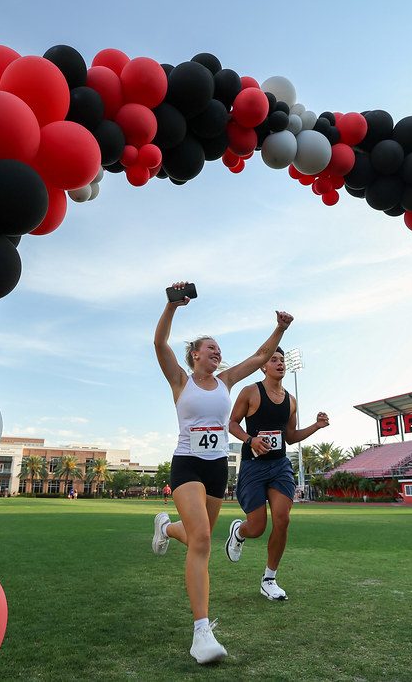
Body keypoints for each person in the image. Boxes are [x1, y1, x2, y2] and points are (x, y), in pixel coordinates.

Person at [150, 281, 292, 665]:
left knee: (201, 536)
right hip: (187, 465)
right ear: (195, 355)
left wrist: (281, 328)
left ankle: (165, 528)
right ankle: (201, 633)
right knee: (201, 542)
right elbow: (160, 345)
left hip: (217, 471)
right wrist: (172, 307)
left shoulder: (226, 382)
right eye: (211, 348)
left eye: (219, 350)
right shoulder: (181, 380)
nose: (217, 353)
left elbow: (261, 354)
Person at [225, 347, 329, 601]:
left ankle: (269, 579)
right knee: (258, 527)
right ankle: (239, 532)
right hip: (253, 466)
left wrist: (316, 426)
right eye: (274, 359)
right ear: (263, 366)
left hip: (280, 466)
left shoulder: (291, 401)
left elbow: (290, 437)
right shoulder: (250, 392)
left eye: (282, 360)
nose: (280, 363)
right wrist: (251, 440)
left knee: (282, 519)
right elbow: (232, 423)